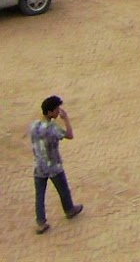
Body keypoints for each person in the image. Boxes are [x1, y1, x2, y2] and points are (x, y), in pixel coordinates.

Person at [30, 95, 84, 234]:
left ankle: (41, 222)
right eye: (56, 110)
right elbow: (70, 135)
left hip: (39, 165)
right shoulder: (52, 128)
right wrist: (66, 119)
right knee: (63, 190)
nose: (58, 111)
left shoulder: (34, 125)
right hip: (53, 165)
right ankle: (69, 210)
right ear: (49, 112)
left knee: (39, 195)